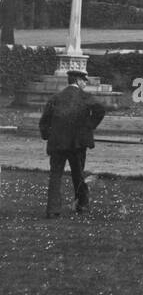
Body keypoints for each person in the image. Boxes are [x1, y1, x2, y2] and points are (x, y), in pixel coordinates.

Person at [39, 69, 106, 219]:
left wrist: (48, 136)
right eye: (83, 81)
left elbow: (44, 121)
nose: (84, 84)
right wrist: (88, 126)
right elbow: (101, 110)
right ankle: (82, 206)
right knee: (78, 174)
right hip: (78, 143)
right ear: (77, 80)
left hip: (57, 143)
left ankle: (52, 210)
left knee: (55, 175)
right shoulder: (85, 97)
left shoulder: (56, 98)